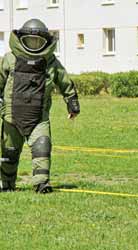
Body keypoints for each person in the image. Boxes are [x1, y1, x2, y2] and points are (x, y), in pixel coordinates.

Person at [0, 19, 80, 193]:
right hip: (10, 117)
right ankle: (6, 184)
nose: (34, 45)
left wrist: (72, 104)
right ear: (21, 39)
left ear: (46, 41)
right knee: (9, 152)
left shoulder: (51, 62)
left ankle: (41, 183)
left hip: (39, 118)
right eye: (30, 41)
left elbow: (65, 82)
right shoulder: (9, 59)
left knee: (42, 147)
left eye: (38, 42)